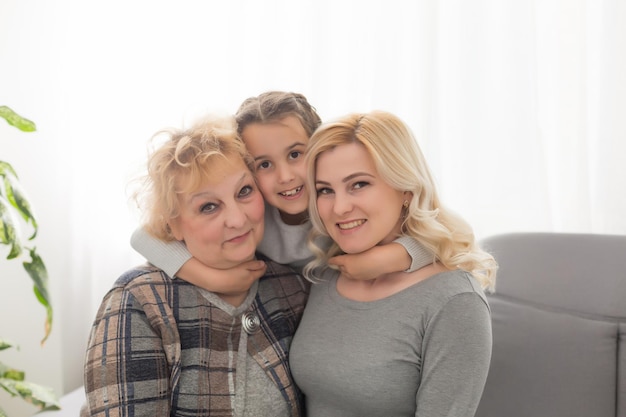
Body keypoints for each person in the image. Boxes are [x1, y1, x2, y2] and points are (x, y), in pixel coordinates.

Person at [81, 115, 308, 417]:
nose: (238, 219)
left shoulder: (291, 287)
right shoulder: (138, 301)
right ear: (173, 224)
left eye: (244, 192)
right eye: (208, 207)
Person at [289, 110, 497, 417]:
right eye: (325, 190)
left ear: (406, 189)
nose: (340, 207)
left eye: (359, 184)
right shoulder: (325, 271)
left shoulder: (455, 302)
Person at [130, 91, 433, 296]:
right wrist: (211, 278)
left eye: (295, 155)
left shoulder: (341, 209)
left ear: (319, 148)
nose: (285, 177)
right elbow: (142, 237)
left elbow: (441, 235)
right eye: (264, 164)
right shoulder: (254, 216)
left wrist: (394, 257)